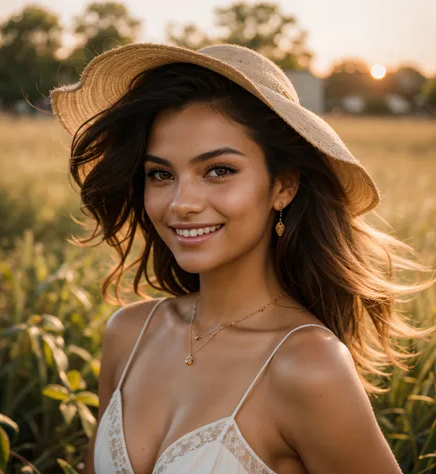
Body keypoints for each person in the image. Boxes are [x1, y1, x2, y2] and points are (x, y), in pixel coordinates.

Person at [50, 43, 435, 474]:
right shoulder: (129, 334)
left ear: (283, 187)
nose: (182, 203)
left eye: (219, 170)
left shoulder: (308, 365)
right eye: (161, 174)